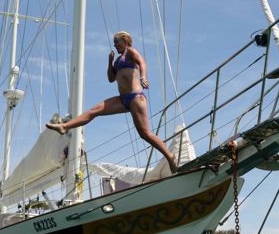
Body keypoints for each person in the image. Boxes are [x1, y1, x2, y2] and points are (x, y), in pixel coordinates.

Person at [46, 32, 181, 173]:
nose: (115, 44)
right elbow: (111, 78)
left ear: (125, 40)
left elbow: (142, 62)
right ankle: (65, 126)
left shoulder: (131, 53)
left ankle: (170, 156)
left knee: (145, 134)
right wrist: (110, 61)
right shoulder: (117, 60)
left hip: (136, 97)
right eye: (114, 42)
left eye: (116, 41)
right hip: (123, 99)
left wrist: (143, 77)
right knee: (95, 111)